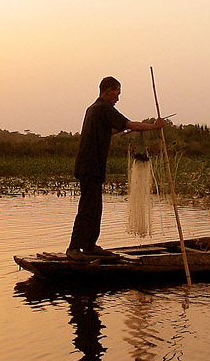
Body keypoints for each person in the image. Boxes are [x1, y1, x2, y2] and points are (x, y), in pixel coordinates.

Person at [67, 76, 164, 261]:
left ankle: (89, 246)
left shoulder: (93, 109)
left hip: (91, 166)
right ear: (108, 91)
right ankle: (73, 248)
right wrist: (154, 126)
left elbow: (111, 129)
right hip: (90, 166)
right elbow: (131, 124)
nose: (117, 99)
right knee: (88, 208)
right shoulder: (103, 108)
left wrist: (127, 129)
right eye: (117, 94)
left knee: (95, 208)